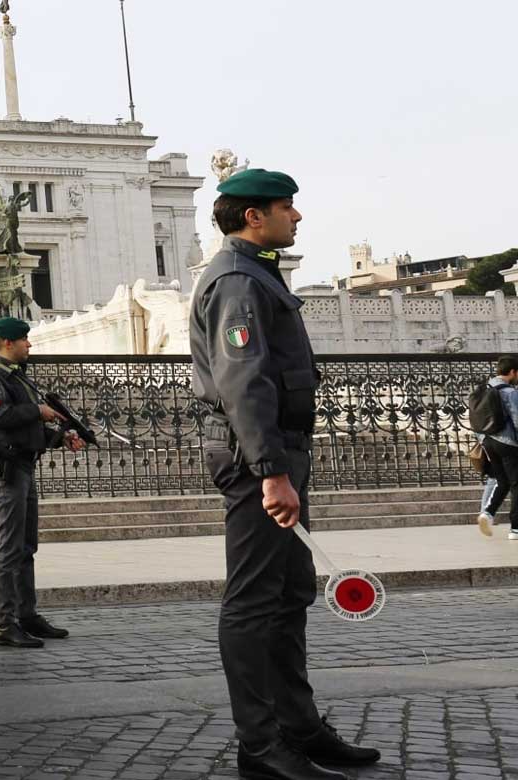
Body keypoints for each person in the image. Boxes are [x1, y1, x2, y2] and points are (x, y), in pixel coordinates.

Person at [190, 169, 378, 780]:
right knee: (252, 602)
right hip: (257, 461)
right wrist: (271, 472)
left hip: (276, 454)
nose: (296, 217)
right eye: (287, 208)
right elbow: (244, 379)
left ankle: (299, 727)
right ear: (254, 217)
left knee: (290, 592)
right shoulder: (238, 281)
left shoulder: (257, 273)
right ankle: (260, 745)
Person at [0, 316, 82, 649]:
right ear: (8, 343)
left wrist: (60, 438)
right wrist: (38, 411)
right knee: (9, 550)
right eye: (25, 340)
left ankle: (27, 614)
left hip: (23, 467)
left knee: (26, 548)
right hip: (6, 474)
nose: (29, 345)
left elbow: (24, 430)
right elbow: (1, 417)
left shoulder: (16, 379)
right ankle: (5, 624)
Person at [473, 356, 518, 539]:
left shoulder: (484, 389)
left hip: (488, 442)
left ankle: (487, 513)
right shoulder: (509, 392)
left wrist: (484, 440)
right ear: (513, 372)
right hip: (507, 443)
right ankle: (516, 528)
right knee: (517, 484)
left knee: (502, 481)